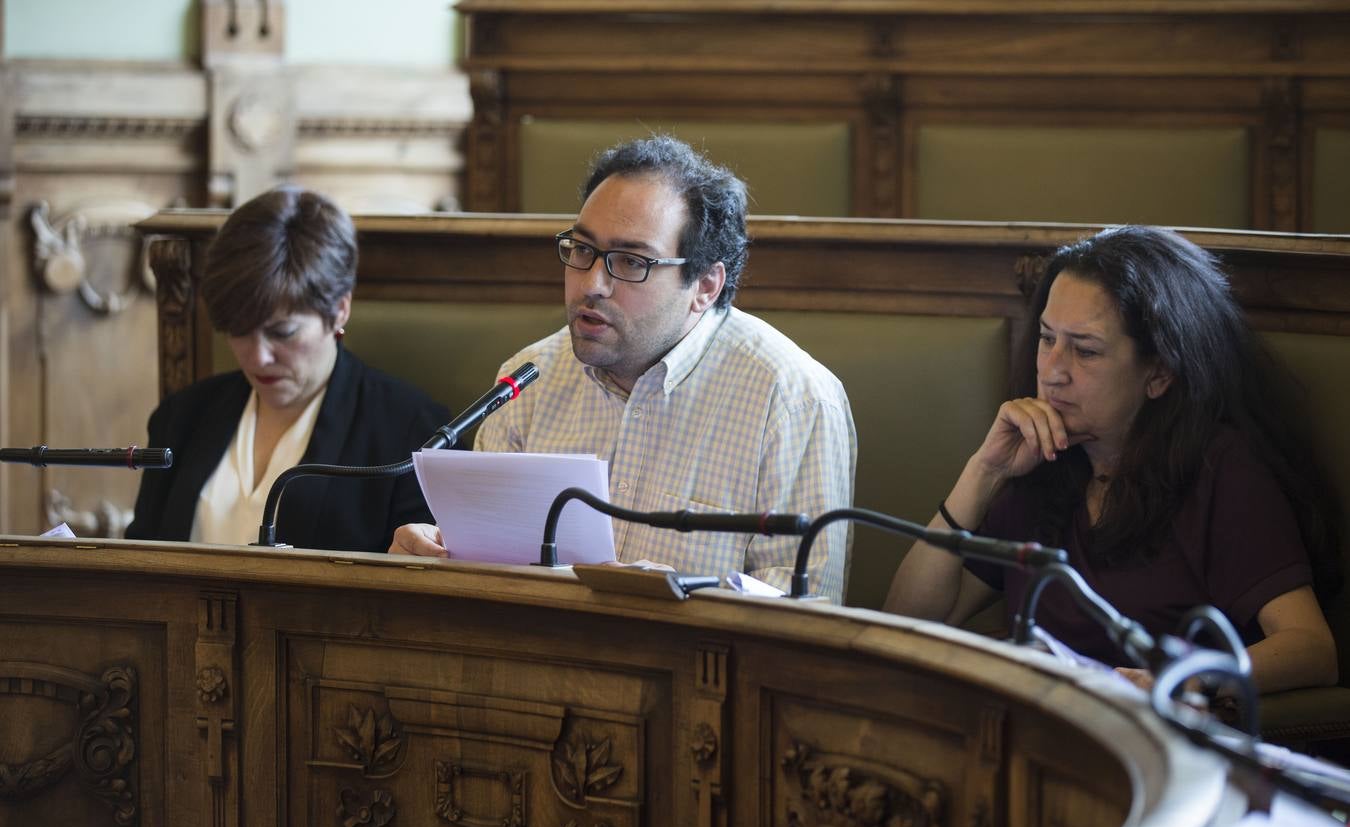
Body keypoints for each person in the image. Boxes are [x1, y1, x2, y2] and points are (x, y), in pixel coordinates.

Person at [390, 136, 857, 600]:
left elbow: (808, 610)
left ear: (704, 286)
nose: (592, 284)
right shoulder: (526, 379)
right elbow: (485, 583)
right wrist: (438, 560)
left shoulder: (793, 401)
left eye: (631, 262)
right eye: (582, 249)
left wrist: (680, 600)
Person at [885, 225, 1340, 693]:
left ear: (1159, 373)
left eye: (1085, 351)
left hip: (1156, 731)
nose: (1053, 372)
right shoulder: (1044, 462)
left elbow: (1311, 648)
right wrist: (984, 471)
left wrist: (1184, 680)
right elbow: (907, 623)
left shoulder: (1220, 469)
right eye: (1046, 339)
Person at [126, 186, 449, 552]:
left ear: (339, 310)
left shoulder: (413, 433)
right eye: (239, 331)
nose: (258, 357)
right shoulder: (181, 416)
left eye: (282, 332)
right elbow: (142, 559)